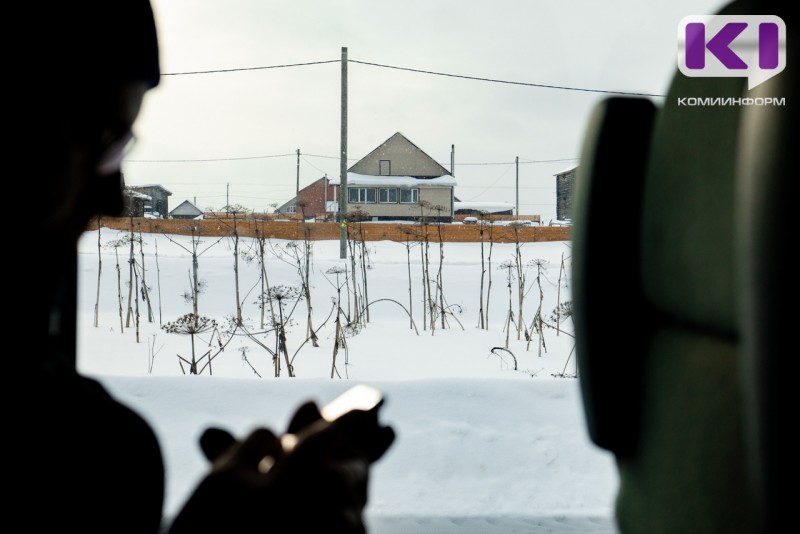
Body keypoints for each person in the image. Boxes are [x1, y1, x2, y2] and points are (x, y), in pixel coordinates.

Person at [18, 2, 394, 532]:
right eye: (99, 140)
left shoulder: (84, 436)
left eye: (119, 147)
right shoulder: (89, 452)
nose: (116, 198)